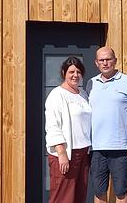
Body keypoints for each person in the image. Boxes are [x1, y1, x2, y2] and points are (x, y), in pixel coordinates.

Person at [88, 47, 127, 203]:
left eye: (108, 59)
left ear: (115, 60)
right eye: (101, 60)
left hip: (120, 148)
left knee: (121, 193)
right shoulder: (91, 83)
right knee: (99, 193)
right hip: (96, 149)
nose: (105, 63)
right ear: (96, 63)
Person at [45, 57, 92, 203]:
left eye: (78, 71)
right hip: (66, 153)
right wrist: (61, 153)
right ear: (64, 73)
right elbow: (53, 126)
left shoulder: (83, 94)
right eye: (71, 71)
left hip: (84, 153)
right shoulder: (57, 95)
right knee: (62, 198)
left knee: (79, 196)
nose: (75, 75)